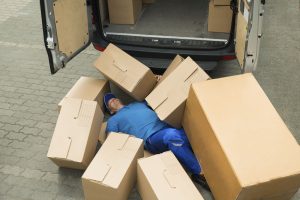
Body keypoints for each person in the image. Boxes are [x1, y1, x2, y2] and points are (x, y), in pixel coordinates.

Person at [104, 93, 210, 191]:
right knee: (172, 137)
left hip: (169, 125)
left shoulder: (136, 104)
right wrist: (127, 138)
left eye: (113, 98)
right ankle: (200, 173)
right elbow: (111, 138)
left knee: (195, 129)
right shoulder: (113, 120)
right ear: (111, 111)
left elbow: (155, 98)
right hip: (152, 137)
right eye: (109, 102)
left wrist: (159, 80)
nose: (111, 99)